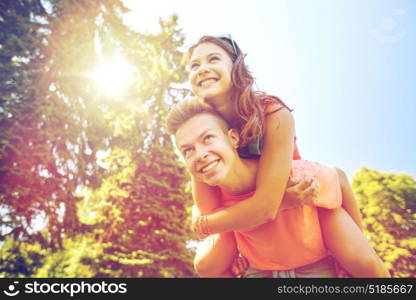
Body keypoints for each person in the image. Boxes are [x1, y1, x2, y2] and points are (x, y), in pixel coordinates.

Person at [181, 35, 389, 277]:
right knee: (206, 265)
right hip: (250, 229)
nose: (202, 69)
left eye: (213, 59)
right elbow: (206, 208)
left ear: (235, 66)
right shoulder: (198, 134)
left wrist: (205, 224)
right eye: (194, 65)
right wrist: (214, 228)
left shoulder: (271, 113)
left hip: (304, 215)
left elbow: (269, 205)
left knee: (369, 269)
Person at [166, 99, 389, 277]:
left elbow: (338, 178)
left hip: (318, 267)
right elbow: (205, 261)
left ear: (233, 138)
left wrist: (358, 248)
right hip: (260, 271)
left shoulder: (292, 175)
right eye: (187, 150)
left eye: (208, 138)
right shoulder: (215, 202)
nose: (200, 154)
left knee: (366, 265)